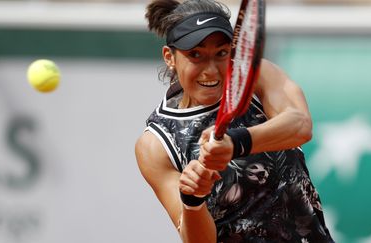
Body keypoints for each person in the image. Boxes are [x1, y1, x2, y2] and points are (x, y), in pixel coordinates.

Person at [135, 0, 335, 242]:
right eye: (195, 55)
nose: (210, 70)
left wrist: (237, 142)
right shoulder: (156, 144)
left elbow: (300, 124)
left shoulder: (257, 77)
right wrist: (193, 200)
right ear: (170, 57)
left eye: (221, 53)